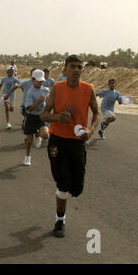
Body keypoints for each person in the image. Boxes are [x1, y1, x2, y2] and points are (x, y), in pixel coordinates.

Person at [40, 55, 101, 238]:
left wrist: (90, 131)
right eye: (72, 67)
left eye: (79, 67)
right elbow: (44, 114)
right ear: (65, 70)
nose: (76, 70)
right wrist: (57, 118)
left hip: (77, 142)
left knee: (77, 188)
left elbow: (98, 114)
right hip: (58, 140)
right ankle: (60, 220)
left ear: (82, 71)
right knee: (63, 183)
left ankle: (65, 196)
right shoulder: (57, 88)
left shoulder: (88, 89)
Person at [22, 70, 50, 165]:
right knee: (29, 141)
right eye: (39, 80)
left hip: (41, 116)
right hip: (31, 117)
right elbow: (29, 109)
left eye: (42, 81)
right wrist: (38, 101)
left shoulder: (46, 90)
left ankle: (39, 135)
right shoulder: (30, 92)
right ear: (33, 79)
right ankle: (27, 157)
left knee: (46, 135)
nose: (41, 82)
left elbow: (51, 100)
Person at [4, 68, 35, 133]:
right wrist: (7, 95)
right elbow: (16, 86)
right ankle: (27, 126)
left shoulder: (40, 84)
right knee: (28, 119)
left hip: (35, 106)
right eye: (32, 73)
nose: (34, 75)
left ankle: (30, 133)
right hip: (25, 105)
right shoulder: (26, 83)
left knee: (31, 121)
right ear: (30, 74)